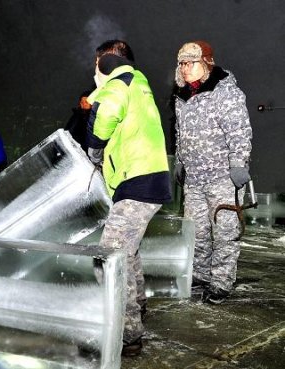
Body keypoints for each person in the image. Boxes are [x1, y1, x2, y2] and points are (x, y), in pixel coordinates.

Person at [85, 42, 171, 356]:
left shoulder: (120, 81)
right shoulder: (137, 84)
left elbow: (105, 113)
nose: (94, 69)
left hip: (139, 181)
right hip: (144, 180)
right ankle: (138, 308)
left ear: (107, 61)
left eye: (97, 63)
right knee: (127, 252)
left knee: (108, 258)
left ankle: (127, 334)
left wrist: (94, 146)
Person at [173, 41, 252, 305]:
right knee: (196, 231)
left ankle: (221, 282)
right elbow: (180, 133)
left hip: (222, 178)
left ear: (206, 63)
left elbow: (239, 131)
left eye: (190, 63)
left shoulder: (226, 92)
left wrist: (239, 164)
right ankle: (201, 274)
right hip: (194, 179)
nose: (184, 69)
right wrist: (180, 161)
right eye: (181, 63)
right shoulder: (182, 96)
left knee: (225, 232)